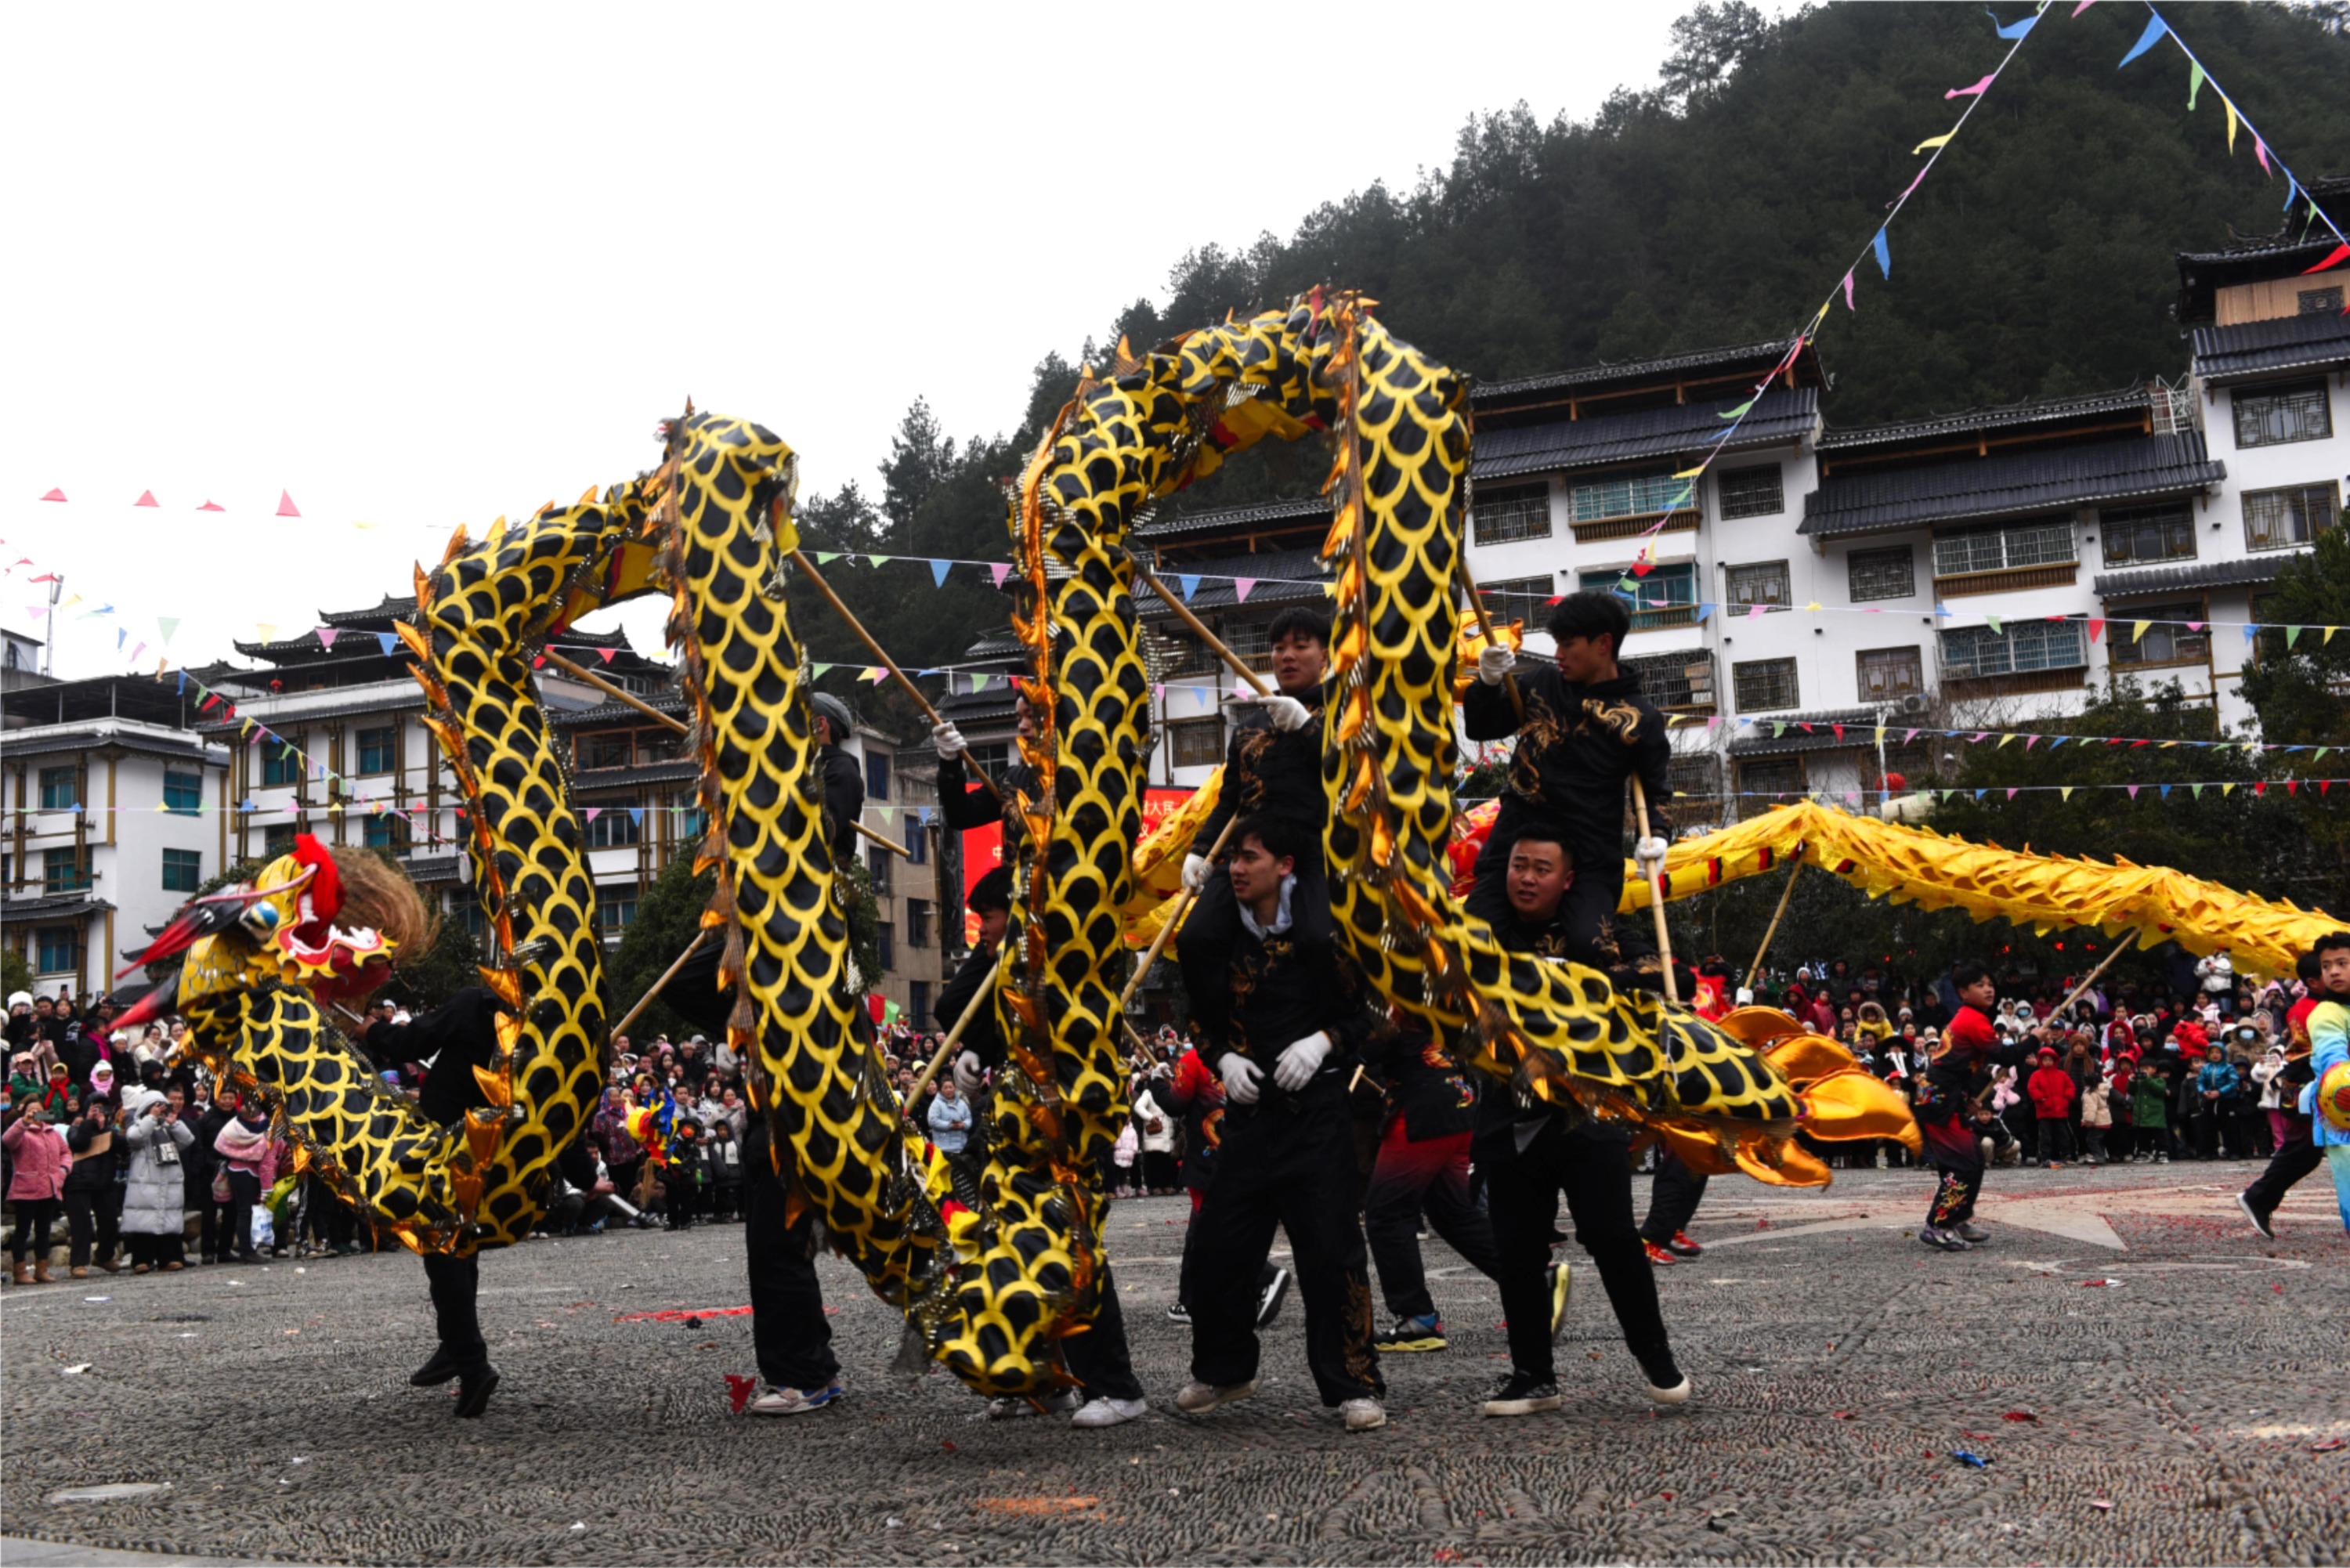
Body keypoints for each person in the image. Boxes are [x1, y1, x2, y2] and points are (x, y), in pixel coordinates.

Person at [1174, 813, 1385, 1433]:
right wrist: (1223, 1058)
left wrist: (1322, 1042)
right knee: (1216, 1249)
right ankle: (1225, 1369)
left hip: (1316, 1117)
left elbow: (1369, 1011)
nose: (1236, 868)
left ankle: (1354, 1384)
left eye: (1250, 857)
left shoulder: (1327, 933)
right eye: (1232, 858)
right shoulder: (1217, 939)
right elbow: (1200, 1021)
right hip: (1245, 1121)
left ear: (1286, 865)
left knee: (1332, 1254)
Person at [1476, 830, 1683, 1419]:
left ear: (1568, 880)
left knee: (1612, 1238)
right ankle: (1532, 1375)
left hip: (1586, 1112)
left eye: (1542, 868)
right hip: (1507, 1111)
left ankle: (1656, 1357)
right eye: (1519, 865)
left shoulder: (1598, 931)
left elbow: (1667, 980)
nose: (1527, 878)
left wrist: (1613, 980)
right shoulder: (1487, 927)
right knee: (1517, 1250)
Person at [937, 864, 1151, 1429]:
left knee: (1075, 1255)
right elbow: (952, 1005)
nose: (981, 929)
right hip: (1014, 1126)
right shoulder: (1008, 966)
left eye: (989, 918)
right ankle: (1047, 1381)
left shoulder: (1059, 961)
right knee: (1013, 1250)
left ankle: (1117, 1386)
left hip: (1067, 1122)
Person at [1462, 591, 1672, 981]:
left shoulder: (1640, 718)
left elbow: (1656, 788)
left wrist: (1657, 836)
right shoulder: (1542, 682)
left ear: (1603, 644)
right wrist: (1488, 681)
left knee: (1589, 944)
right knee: (1473, 939)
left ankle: (1583, 989)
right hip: (1515, 843)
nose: (1557, 654)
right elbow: (1482, 726)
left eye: (1567, 645)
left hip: (1589, 853)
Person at [1176, 609, 1336, 1060]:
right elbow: (1230, 800)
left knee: (1318, 940)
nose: (1288, 656)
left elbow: (1350, 777)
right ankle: (1222, 1042)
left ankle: (1328, 1037)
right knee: (1194, 939)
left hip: (1309, 853)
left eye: (1301, 646)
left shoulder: (1344, 711)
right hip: (1246, 854)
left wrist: (1307, 728)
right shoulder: (1249, 728)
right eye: (1279, 647)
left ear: (1324, 654)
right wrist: (1200, 851)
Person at [359, 983, 523, 1418]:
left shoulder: (475, 1002)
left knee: (444, 1249)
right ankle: (453, 1345)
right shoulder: (539, 1019)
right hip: (497, 1150)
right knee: (459, 1249)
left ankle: (470, 1361)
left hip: (451, 1145)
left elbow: (415, 1041)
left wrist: (373, 1031)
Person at [1358, 1019, 1510, 1354]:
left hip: (1423, 1107)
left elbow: (1374, 1041)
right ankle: (1530, 1279)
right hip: (1455, 1097)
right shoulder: (1436, 980)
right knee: (1452, 1212)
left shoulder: (1394, 988)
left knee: (1386, 1214)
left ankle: (1417, 1319)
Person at [1915, 962, 2035, 1251]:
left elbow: (1958, 1067)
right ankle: (1938, 1225)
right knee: (1964, 1163)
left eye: (1990, 983)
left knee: (1971, 1160)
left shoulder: (1972, 1017)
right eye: (1980, 985)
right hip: (1937, 1100)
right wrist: (2035, 1039)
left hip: (1945, 1096)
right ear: (1963, 993)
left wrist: (1964, 1098)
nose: (1989, 988)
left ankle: (1958, 1217)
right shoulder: (1971, 1019)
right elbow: (2006, 1055)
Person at [2240, 940, 2349, 1238]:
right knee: (2304, 1149)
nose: (2335, 973)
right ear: (2314, 980)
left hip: (2323, 1086)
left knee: (2308, 1150)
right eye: (2328, 968)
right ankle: (2258, 1197)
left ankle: (2259, 1198)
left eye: (2342, 964)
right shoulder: (2314, 1011)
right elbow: (2328, 1054)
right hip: (2312, 1087)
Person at [121, 1085, 196, 1272]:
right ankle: (141, 1260)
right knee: (143, 1221)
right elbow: (134, 1138)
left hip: (169, 1179)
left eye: (163, 1106)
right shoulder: (140, 1123)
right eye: (156, 1106)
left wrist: (174, 1123)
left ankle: (168, 1258)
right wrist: (151, 1118)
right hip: (145, 1180)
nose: (161, 1110)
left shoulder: (168, 1127)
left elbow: (188, 1140)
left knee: (167, 1219)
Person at [6, 1100, 71, 1284]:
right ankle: (19, 1272)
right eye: (31, 1110)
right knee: (23, 1231)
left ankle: (41, 1269)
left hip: (50, 1188)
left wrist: (63, 1171)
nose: (35, 1113)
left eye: (39, 1110)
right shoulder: (21, 1131)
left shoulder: (52, 1132)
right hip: (26, 1189)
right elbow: (8, 1141)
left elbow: (66, 1152)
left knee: (44, 1231)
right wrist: (24, 1122)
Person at [62, 1095, 125, 1277]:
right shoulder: (76, 1127)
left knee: (110, 1221)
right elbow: (78, 1144)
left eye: (102, 1109)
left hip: (104, 1182)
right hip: (79, 1183)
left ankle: (104, 1256)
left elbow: (122, 1147)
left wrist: (105, 1127)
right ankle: (78, 1264)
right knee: (81, 1225)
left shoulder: (110, 1130)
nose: (98, 1112)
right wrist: (88, 1123)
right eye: (94, 1108)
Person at [2027, 1047, 2077, 1169]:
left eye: (2050, 1059)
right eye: (2045, 1060)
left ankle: (2067, 1156)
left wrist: (2066, 1100)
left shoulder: (2062, 1075)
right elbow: (2032, 1089)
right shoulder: (2036, 1075)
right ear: (2041, 1061)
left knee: (2064, 1135)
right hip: (2045, 1111)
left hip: (2060, 1111)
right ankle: (2045, 1158)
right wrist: (2042, 1100)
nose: (2048, 1062)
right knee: (2045, 1136)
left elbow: (2070, 1087)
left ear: (2054, 1061)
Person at [2193, 1043, 2238, 1162]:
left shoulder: (2229, 1067)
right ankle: (2209, 1151)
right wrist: (2204, 1092)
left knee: (2228, 1126)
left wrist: (2220, 1092)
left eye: (2218, 1052)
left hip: (2226, 1099)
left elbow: (2234, 1082)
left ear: (2223, 1054)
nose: (2215, 1055)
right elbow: (2200, 1082)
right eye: (2212, 1052)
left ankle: (2232, 1150)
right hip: (2209, 1099)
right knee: (2208, 1126)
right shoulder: (2206, 1068)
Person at [926, 1078, 972, 1155]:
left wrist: (963, 1125)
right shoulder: (936, 1104)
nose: (948, 1090)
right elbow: (933, 1121)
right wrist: (950, 1125)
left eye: (950, 1087)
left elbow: (969, 1118)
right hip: (943, 1148)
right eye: (946, 1088)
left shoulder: (962, 1104)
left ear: (955, 1088)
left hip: (961, 1146)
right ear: (941, 1089)